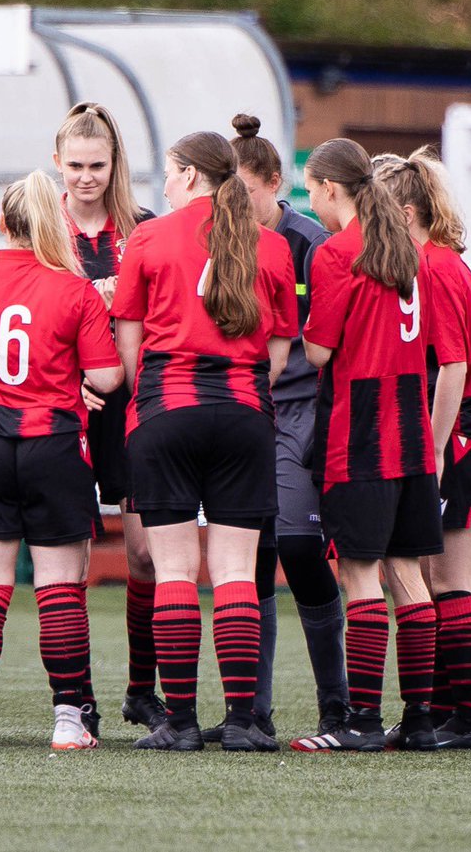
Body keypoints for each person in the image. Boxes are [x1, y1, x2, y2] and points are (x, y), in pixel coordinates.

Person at [110, 131, 297, 752]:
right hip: (244, 414)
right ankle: (242, 721)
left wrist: (153, 399)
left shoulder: (149, 237)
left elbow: (130, 344)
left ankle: (182, 722)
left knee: (174, 572)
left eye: (168, 172)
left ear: (191, 175)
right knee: (237, 572)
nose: (164, 185)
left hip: (166, 411)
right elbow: (277, 357)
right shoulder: (271, 245)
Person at [0, 170, 123, 750]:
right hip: (54, 445)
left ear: (3, 222)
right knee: (59, 589)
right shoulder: (74, 289)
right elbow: (107, 377)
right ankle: (68, 719)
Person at [201, 115, 351, 746]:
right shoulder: (217, 241)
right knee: (249, 557)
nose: (233, 202)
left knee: (298, 547)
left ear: (273, 183)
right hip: (242, 412)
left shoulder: (310, 242)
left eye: (243, 190)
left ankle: (337, 708)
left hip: (299, 412)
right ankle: (251, 709)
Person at [291, 137, 443, 753]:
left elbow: (319, 351)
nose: (313, 203)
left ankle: (358, 721)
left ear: (331, 188)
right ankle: (422, 720)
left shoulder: (335, 253)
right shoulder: (406, 247)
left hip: (360, 433)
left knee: (360, 576)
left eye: (313, 191)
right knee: (407, 574)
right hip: (411, 432)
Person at [374, 147, 471, 749]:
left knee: (453, 580)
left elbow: (455, 363)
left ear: (405, 214)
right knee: (433, 575)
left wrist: (433, 445)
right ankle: (447, 713)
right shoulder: (430, 263)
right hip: (462, 431)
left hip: (465, 439)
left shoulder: (433, 266)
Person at [53, 101, 164, 734]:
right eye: (75, 166)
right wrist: (70, 380)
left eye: (96, 165)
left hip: (134, 413)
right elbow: (26, 312)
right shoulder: (43, 229)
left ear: (115, 163)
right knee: (71, 563)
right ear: (57, 163)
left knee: (146, 557)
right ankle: (79, 699)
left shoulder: (144, 229)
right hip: (68, 410)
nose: (86, 177)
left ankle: (141, 691)